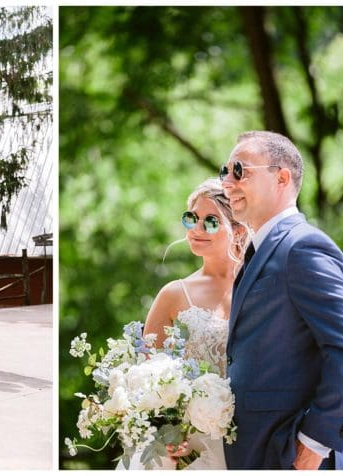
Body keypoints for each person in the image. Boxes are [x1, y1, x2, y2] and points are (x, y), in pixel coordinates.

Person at [220, 131, 343, 470]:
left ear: (281, 177)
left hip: (294, 457)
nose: (228, 182)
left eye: (239, 170)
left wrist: (313, 445)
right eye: (224, 171)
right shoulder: (260, 252)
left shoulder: (302, 248)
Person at [125, 178, 247, 470]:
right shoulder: (174, 294)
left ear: (238, 230)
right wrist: (163, 432)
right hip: (190, 447)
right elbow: (145, 376)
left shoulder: (262, 288)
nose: (197, 229)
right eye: (192, 218)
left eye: (211, 221)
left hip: (252, 439)